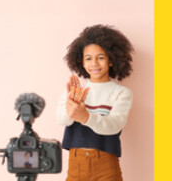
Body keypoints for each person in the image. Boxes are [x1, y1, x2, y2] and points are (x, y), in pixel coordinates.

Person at [56, 24, 135, 181]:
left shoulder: (121, 93)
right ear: (82, 62)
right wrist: (72, 109)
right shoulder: (74, 90)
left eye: (100, 58)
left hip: (106, 164)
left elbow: (115, 125)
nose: (94, 64)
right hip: (75, 163)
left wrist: (85, 116)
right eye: (88, 58)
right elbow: (61, 120)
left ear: (111, 60)